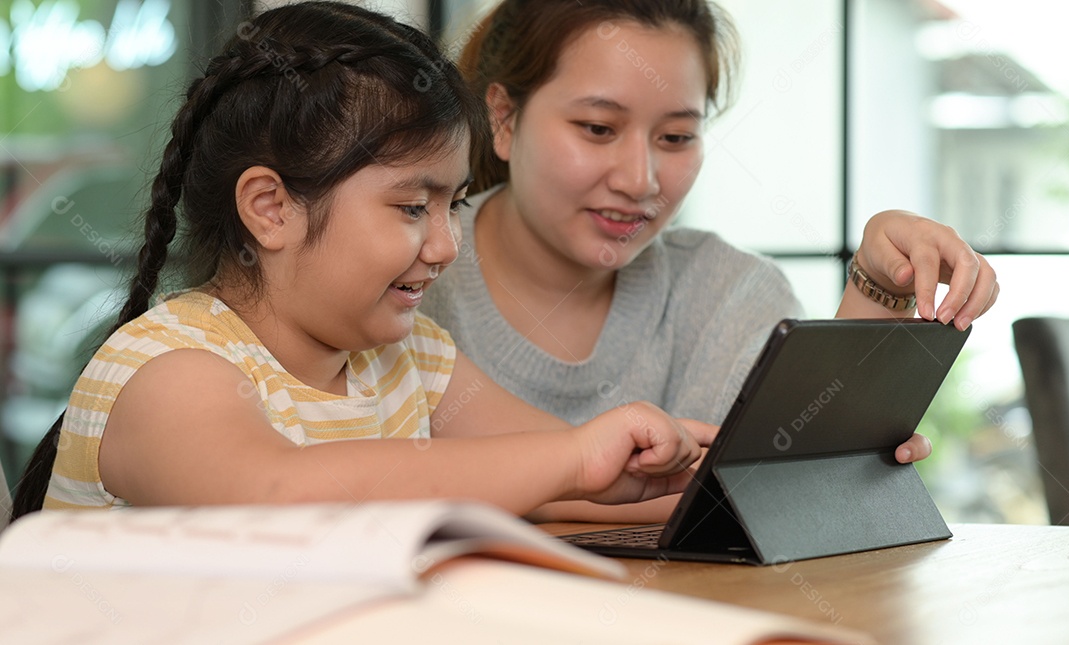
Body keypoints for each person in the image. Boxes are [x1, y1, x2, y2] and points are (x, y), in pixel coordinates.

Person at [9, 1, 713, 519]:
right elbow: (277, 492)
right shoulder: (167, 370)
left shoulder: (414, 365)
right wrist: (576, 458)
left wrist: (702, 478)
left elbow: (573, 487)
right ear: (271, 207)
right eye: (413, 207)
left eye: (453, 204)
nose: (445, 245)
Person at [421, 1, 999, 465]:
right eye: (598, 128)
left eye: (675, 138)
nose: (639, 180)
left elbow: (787, 478)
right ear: (503, 118)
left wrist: (881, 282)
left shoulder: (730, 293)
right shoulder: (408, 279)